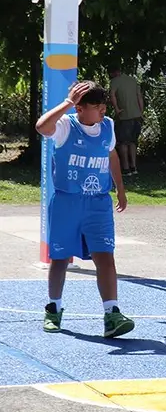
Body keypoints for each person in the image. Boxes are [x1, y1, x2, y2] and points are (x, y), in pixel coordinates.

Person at [36, 80, 134, 338]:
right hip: (68, 202)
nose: (103, 110)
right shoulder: (66, 126)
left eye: (104, 105)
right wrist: (67, 102)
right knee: (60, 259)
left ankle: (112, 313)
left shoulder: (108, 126)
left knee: (105, 256)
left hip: (97, 204)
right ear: (80, 109)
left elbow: (111, 155)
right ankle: (53, 308)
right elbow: (41, 126)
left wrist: (119, 187)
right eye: (97, 106)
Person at [107, 67, 143, 176]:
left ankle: (126, 168)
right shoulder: (132, 80)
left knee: (123, 143)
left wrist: (117, 109)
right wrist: (140, 112)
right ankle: (134, 167)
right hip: (136, 116)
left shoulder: (114, 81)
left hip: (124, 116)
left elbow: (112, 95)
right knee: (132, 142)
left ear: (114, 72)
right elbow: (139, 97)